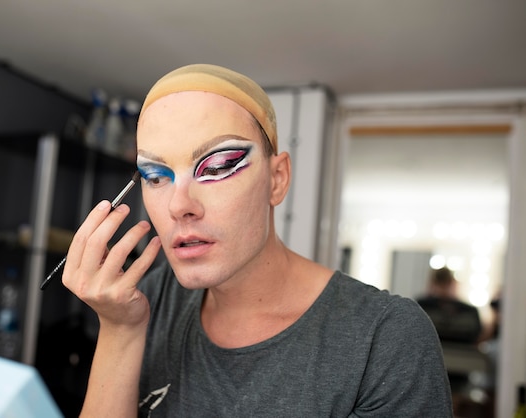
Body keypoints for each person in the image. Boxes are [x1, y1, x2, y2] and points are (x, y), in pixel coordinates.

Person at [63, 64, 452, 417]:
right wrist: (119, 331)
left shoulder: (385, 340)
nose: (180, 206)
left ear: (277, 179)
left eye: (216, 167)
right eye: (157, 176)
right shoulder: (146, 299)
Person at [416, 267, 482, 344]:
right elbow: (477, 337)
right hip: (462, 352)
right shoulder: (469, 311)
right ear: (453, 283)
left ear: (432, 283)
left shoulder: (421, 306)